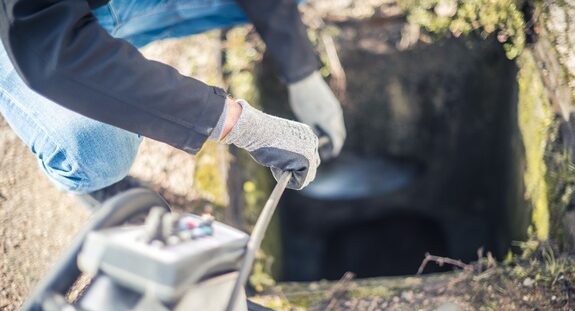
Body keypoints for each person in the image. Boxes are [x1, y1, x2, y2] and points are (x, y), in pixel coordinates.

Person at [0, 0, 346, 204]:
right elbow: (51, 50)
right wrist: (240, 124)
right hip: (27, 35)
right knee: (96, 152)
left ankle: (111, 55)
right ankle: (99, 182)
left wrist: (301, 71)